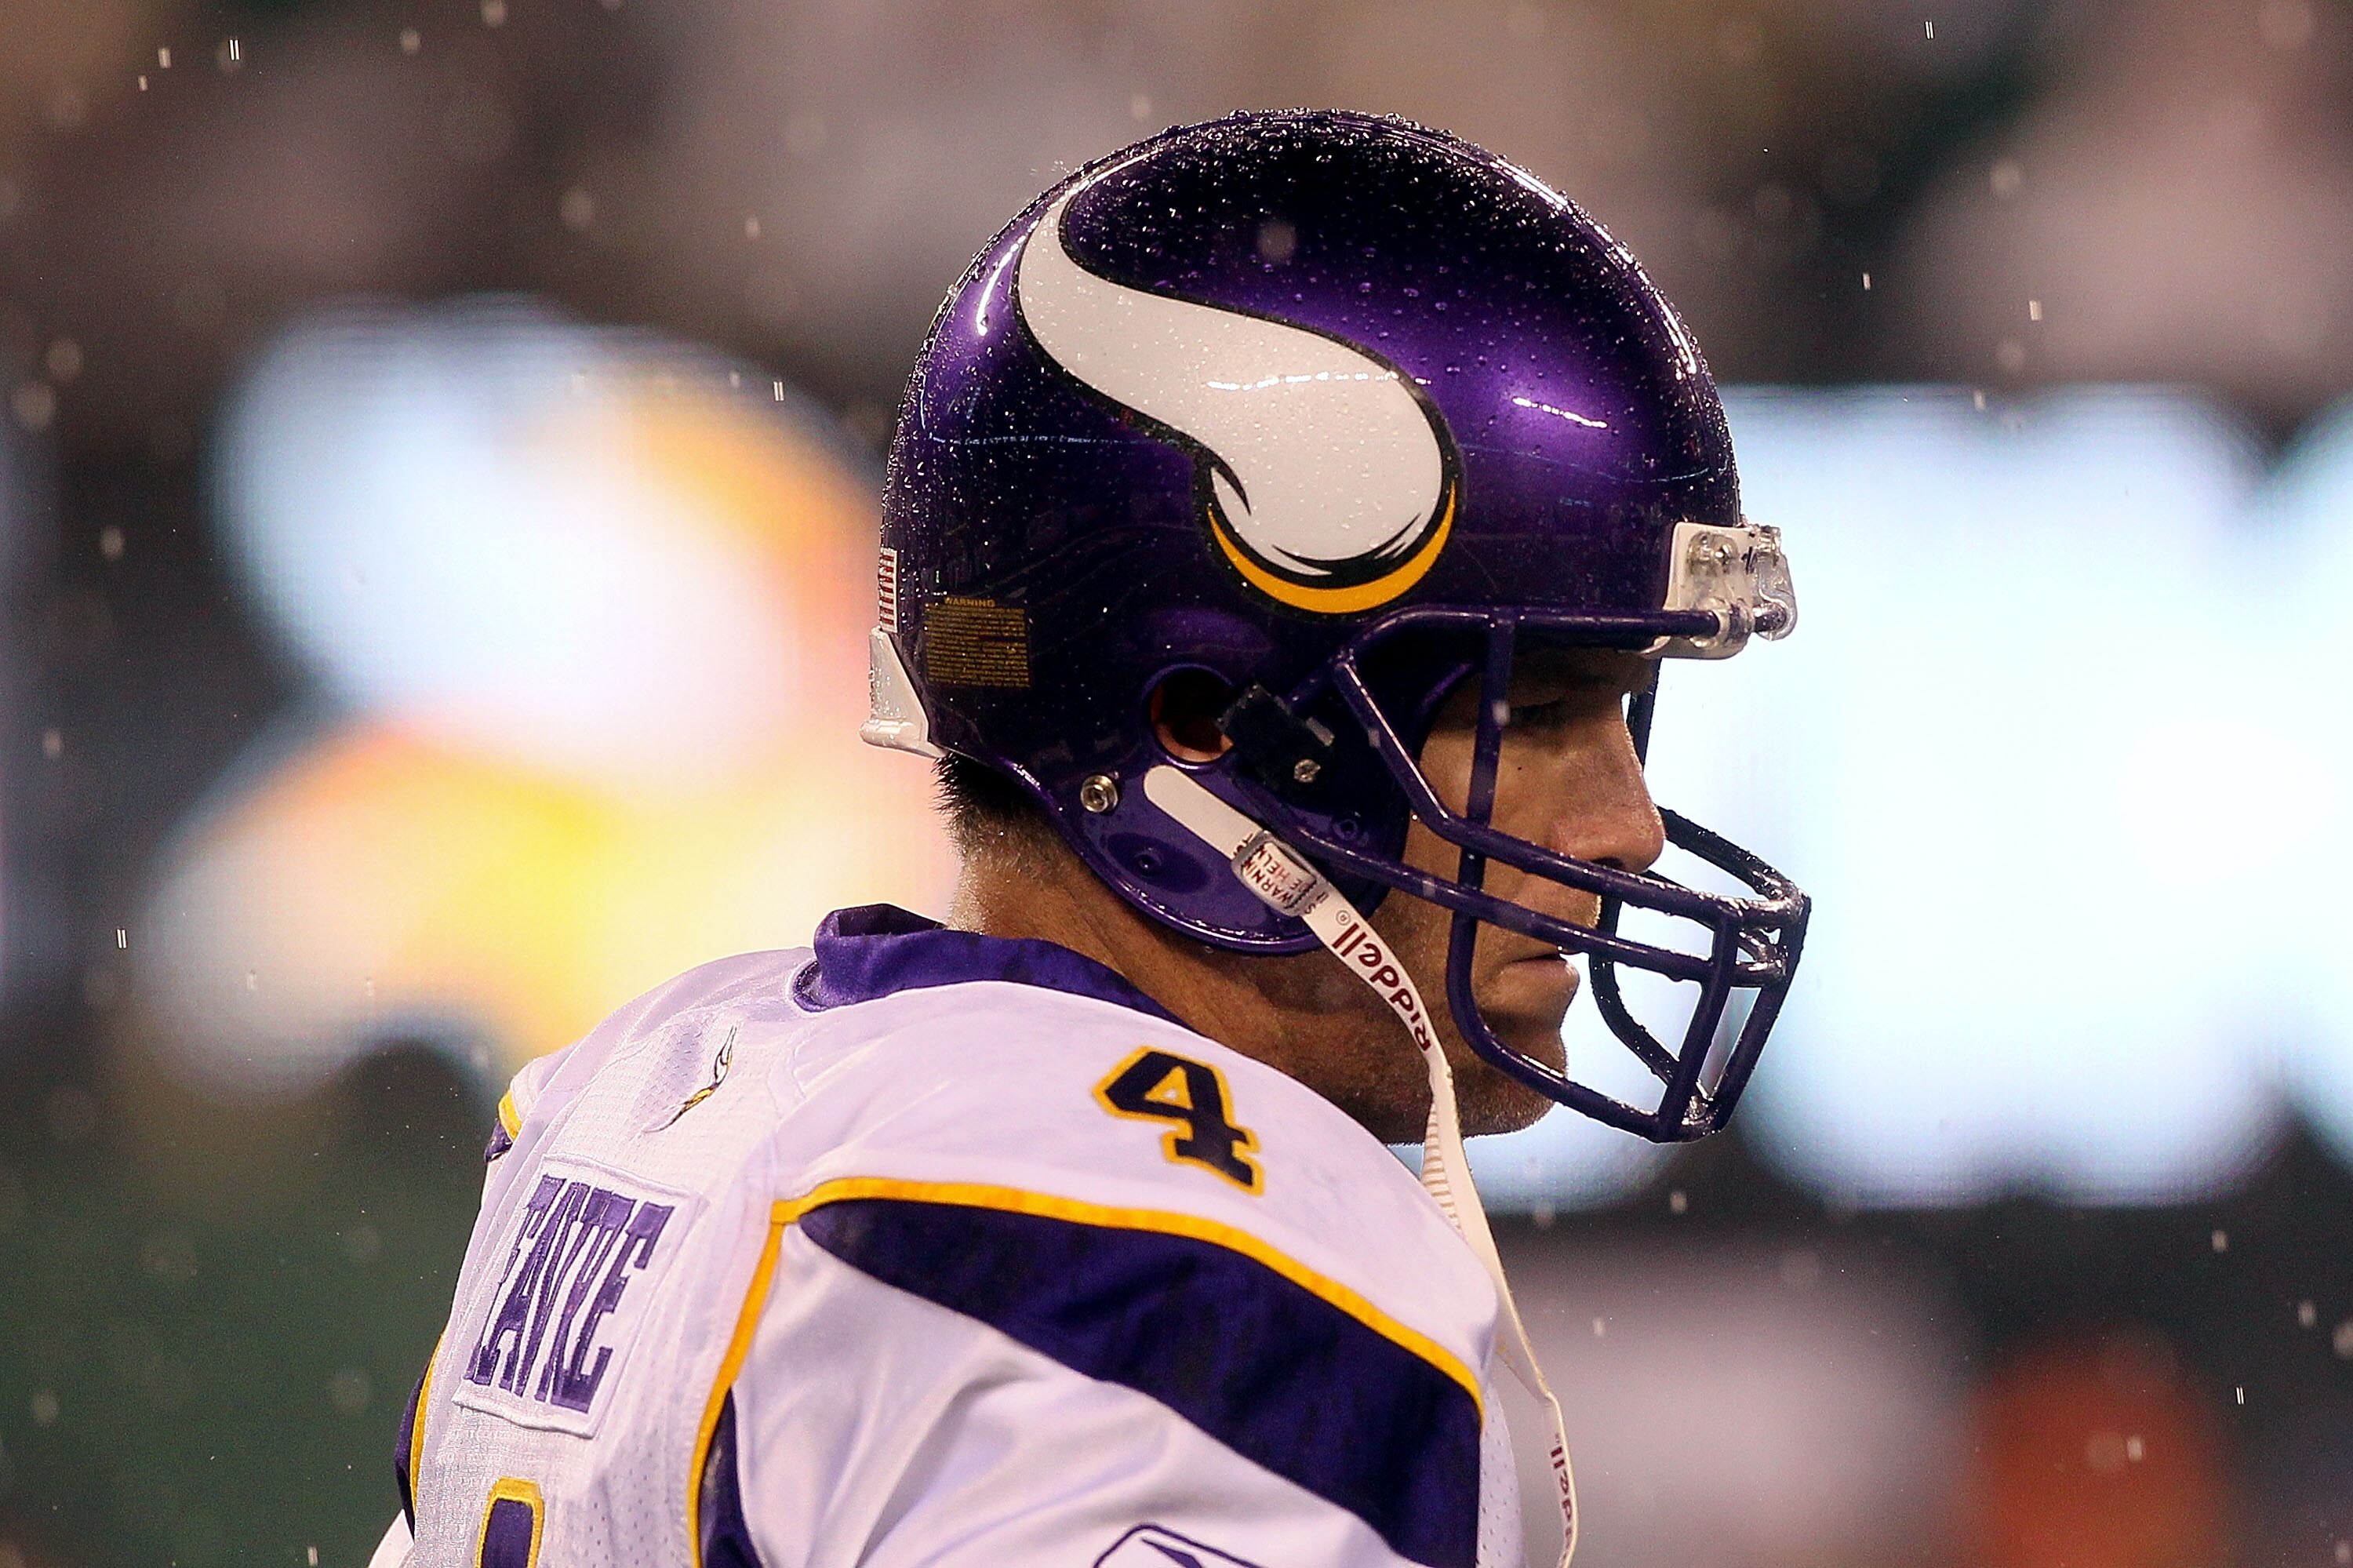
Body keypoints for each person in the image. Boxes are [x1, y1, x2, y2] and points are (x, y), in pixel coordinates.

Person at [372, 109, 1807, 1568]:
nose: (1626, 828)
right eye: (1545, 709)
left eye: (1626, 709)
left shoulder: (654, 1089)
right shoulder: (1174, 1252)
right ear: (1204, 721)